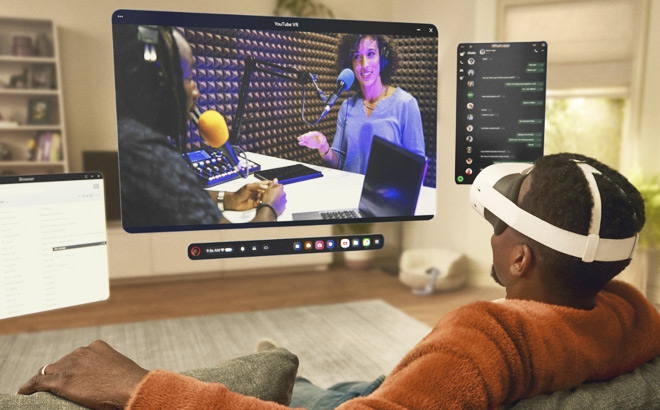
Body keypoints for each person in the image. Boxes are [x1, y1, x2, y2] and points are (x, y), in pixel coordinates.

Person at [17, 153, 660, 409]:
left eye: (500, 226)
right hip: (403, 388)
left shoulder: (483, 335)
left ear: (520, 260)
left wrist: (139, 388)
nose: (491, 234)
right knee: (351, 380)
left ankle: (283, 379)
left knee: (312, 392)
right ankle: (294, 374)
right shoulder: (629, 314)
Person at [114, 25, 286, 228]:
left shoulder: (125, 136)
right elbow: (232, 244)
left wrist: (230, 199)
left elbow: (175, 197)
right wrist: (270, 207)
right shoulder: (145, 153)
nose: (196, 93)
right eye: (188, 78)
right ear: (159, 86)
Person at [297, 34, 426, 174]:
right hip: (349, 191)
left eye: (370, 54)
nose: (364, 64)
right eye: (357, 56)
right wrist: (323, 148)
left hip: (382, 196)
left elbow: (417, 166)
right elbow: (339, 163)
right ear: (350, 63)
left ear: (382, 58)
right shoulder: (347, 107)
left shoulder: (406, 104)